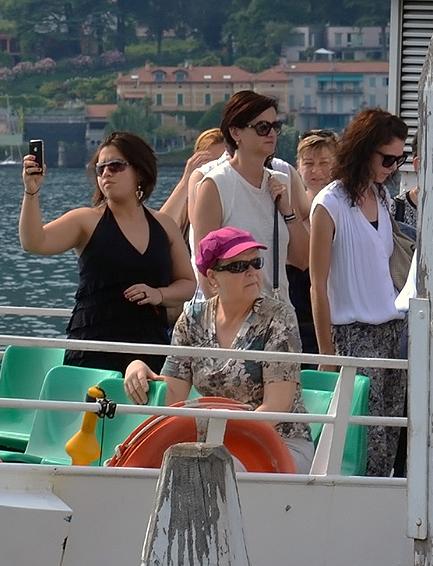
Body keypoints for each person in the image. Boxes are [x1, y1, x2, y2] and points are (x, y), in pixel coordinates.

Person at [123, 227, 313, 473]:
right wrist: (136, 367)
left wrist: (217, 437)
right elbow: (173, 400)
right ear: (212, 277)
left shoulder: (279, 317)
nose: (252, 273)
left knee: (216, 468)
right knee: (147, 466)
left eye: (256, 263)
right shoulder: (191, 319)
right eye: (238, 267)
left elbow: (277, 406)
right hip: (211, 443)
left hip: (280, 443)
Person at [20, 132, 196, 374]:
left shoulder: (164, 225)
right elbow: (34, 242)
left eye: (115, 166)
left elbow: (188, 284)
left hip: (150, 347)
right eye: (100, 168)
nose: (106, 174)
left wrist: (158, 294)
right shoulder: (85, 220)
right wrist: (31, 192)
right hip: (93, 347)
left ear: (140, 172)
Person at [309, 107, 411, 476]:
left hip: (392, 331)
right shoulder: (329, 203)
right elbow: (316, 284)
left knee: (390, 440)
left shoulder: (382, 197)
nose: (393, 167)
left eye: (400, 159)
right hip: (353, 335)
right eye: (387, 158)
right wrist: (326, 353)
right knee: (363, 442)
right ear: (365, 149)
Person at [190, 91, 308, 297]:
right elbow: (204, 266)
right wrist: (224, 320)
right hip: (235, 316)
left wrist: (288, 212)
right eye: (262, 127)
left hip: (278, 315)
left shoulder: (281, 181)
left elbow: (303, 259)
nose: (271, 134)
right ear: (236, 133)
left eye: (275, 127)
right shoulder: (215, 185)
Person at [287, 130, 341, 353]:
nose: (316, 171)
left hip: (333, 320)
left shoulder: (343, 210)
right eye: (308, 163)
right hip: (293, 322)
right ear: (298, 166)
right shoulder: (286, 208)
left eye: (324, 163)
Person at [158, 128, 227, 238]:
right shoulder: (186, 208)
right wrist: (186, 180)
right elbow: (159, 231)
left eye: (222, 163)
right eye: (210, 165)